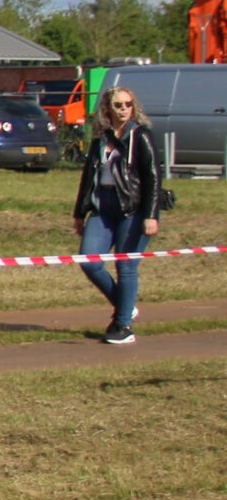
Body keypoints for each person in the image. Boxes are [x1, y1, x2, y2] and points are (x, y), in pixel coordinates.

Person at [73, 84, 161, 345]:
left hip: (133, 207)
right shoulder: (101, 138)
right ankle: (124, 305)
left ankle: (123, 325)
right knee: (89, 261)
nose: (124, 110)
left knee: (126, 265)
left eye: (128, 105)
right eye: (118, 105)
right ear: (107, 108)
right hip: (104, 206)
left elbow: (153, 177)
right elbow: (88, 176)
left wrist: (151, 215)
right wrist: (80, 212)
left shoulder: (140, 135)